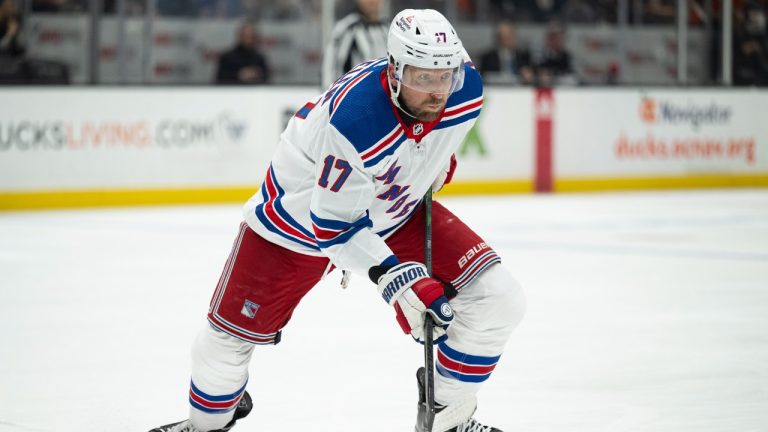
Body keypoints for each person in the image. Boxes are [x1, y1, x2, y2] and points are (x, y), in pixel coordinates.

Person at [149, 8, 525, 432]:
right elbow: (333, 223)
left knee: (498, 299)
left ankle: (446, 416)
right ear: (396, 70)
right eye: (424, 78)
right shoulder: (357, 118)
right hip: (297, 221)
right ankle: (206, 425)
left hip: (391, 209)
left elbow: (434, 144)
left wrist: (434, 163)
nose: (438, 92)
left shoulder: (465, 90)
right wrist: (400, 280)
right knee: (223, 344)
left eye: (446, 76)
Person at [321, 0, 388, 88]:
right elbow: (331, 70)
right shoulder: (346, 29)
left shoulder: (388, 29)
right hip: (354, 97)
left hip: (384, 98)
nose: (372, 1)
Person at [478, 21, 534, 85]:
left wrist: (528, 76)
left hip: (518, 91)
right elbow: (482, 77)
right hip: (495, 90)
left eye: (509, 37)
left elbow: (531, 77)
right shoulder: (488, 57)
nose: (507, 40)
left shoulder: (523, 56)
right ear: (498, 39)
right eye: (503, 37)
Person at [536, 21, 577, 86]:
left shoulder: (568, 56)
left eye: (557, 37)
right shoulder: (540, 56)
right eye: (551, 37)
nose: (554, 40)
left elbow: (572, 77)